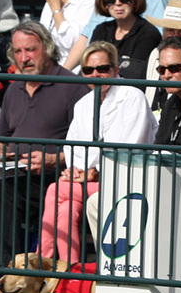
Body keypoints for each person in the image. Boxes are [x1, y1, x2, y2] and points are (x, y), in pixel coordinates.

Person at [37, 39, 157, 263]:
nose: (96, 75)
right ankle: (69, 272)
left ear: (115, 69)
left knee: (55, 191)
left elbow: (128, 150)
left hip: (127, 182)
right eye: (89, 70)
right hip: (89, 182)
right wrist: (74, 171)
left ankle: (45, 265)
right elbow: (72, 147)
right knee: (64, 211)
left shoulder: (132, 97)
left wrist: (93, 172)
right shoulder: (83, 103)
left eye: (103, 69)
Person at [0, 21, 82, 267]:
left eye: (30, 50)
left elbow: (86, 146)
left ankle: (11, 275)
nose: (24, 58)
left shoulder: (73, 86)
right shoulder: (14, 88)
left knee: (3, 192)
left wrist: (53, 159)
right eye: (18, 52)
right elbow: (2, 138)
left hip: (55, 178)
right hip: (16, 174)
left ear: (47, 48)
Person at [80, 0, 162, 79]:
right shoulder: (101, 30)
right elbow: (90, 67)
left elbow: (134, 74)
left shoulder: (148, 33)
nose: (118, 3)